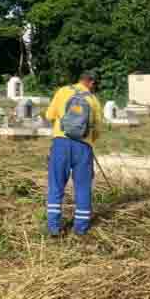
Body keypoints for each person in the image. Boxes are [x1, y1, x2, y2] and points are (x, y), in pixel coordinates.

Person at [44, 71, 104, 237]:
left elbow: (49, 115)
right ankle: (81, 229)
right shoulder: (93, 101)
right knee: (83, 188)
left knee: (56, 186)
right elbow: (97, 130)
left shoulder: (63, 91)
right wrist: (89, 142)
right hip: (83, 148)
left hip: (61, 144)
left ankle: (54, 228)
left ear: (80, 80)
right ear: (90, 83)